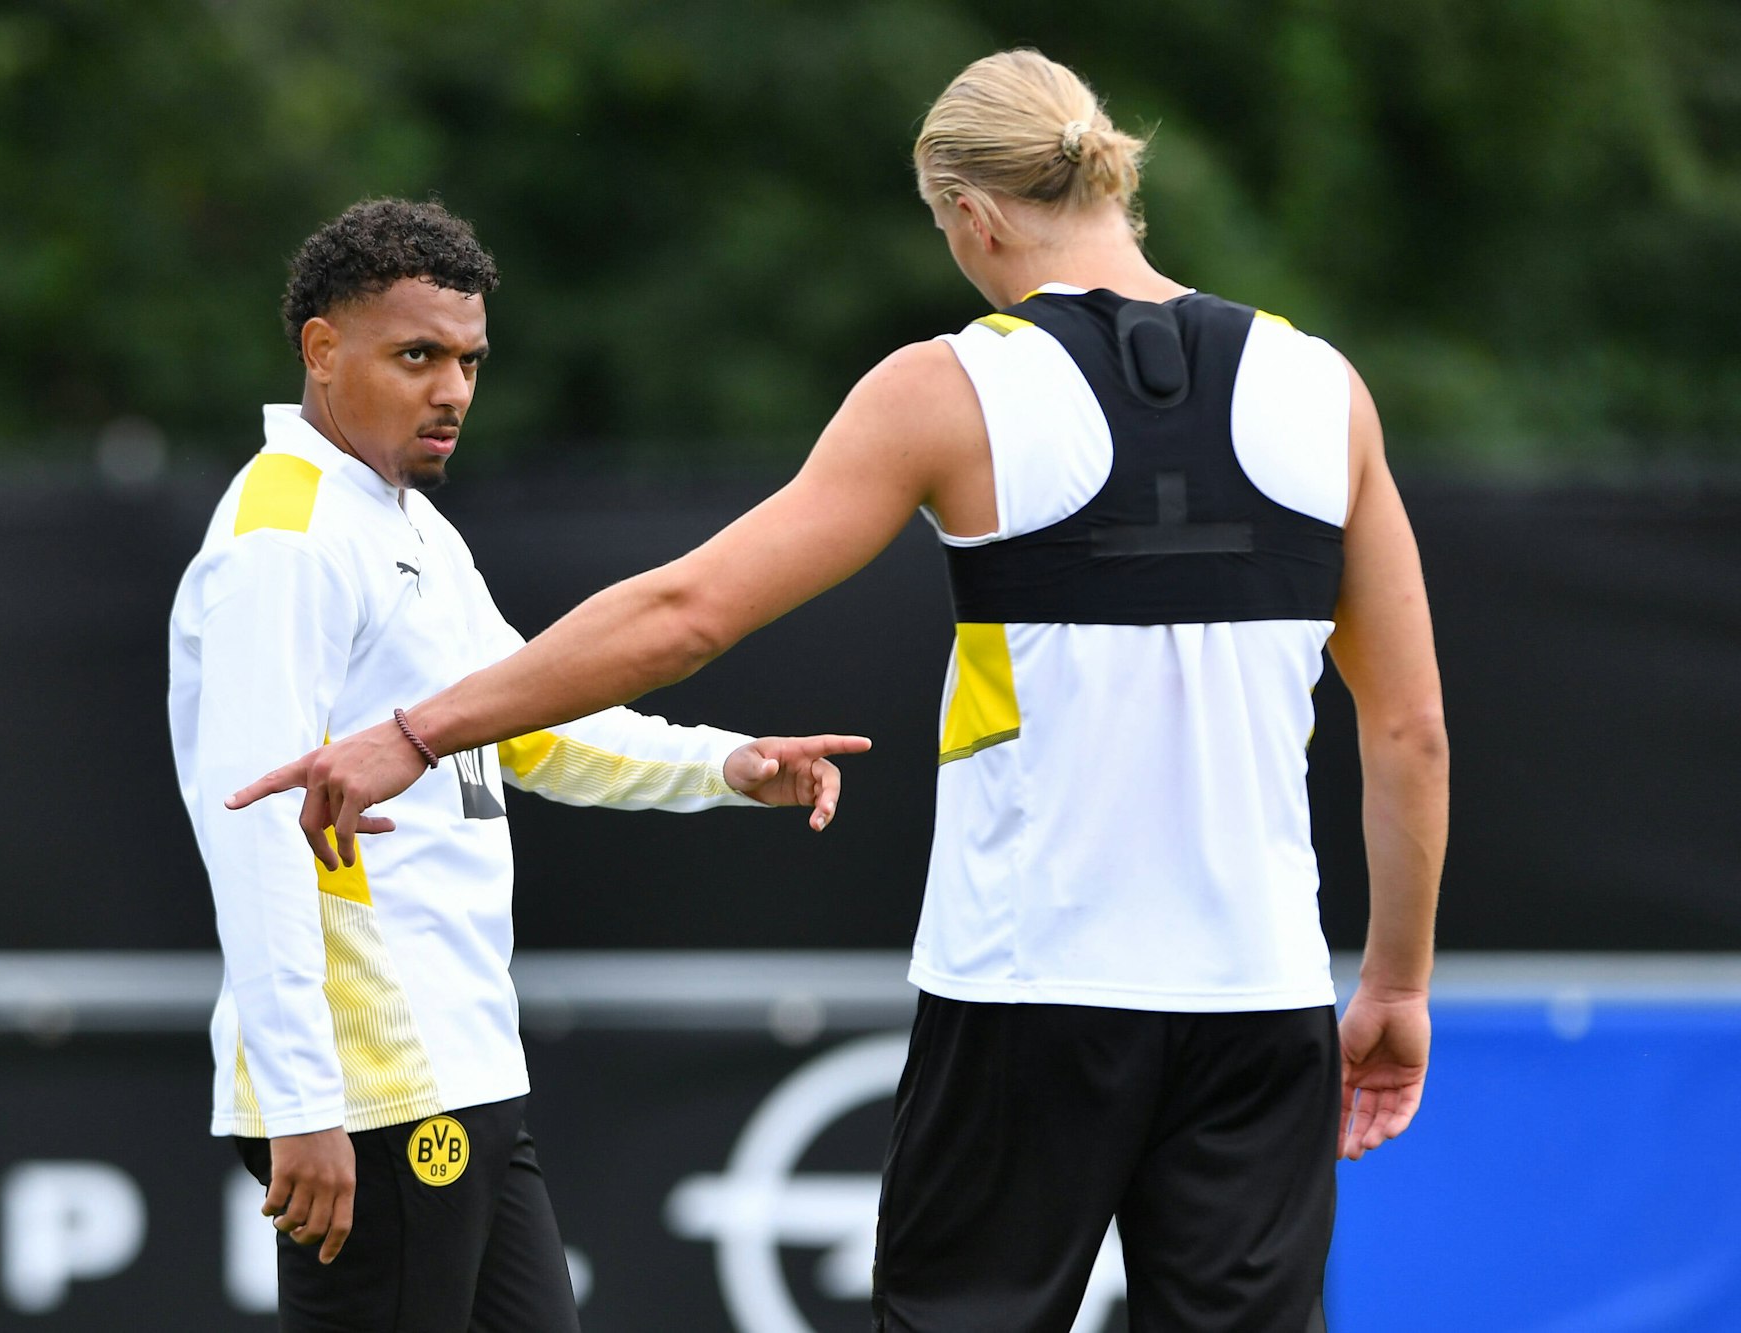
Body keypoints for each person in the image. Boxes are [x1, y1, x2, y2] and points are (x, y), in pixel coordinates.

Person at [232, 50, 1448, 1333]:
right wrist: (1396, 983)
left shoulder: (953, 385)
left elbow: (684, 614)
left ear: (970, 213)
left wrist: (419, 730)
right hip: (1258, 1000)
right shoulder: (1324, 389)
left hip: (1029, 992)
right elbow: (1409, 730)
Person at [169, 197, 870, 1333]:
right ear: (319, 349)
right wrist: (304, 1100)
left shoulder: (405, 524)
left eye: (468, 361)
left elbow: (528, 721)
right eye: (416, 356)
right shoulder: (285, 538)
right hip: (373, 1080)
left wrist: (724, 763)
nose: (451, 390)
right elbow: (250, 825)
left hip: (463, 1057)